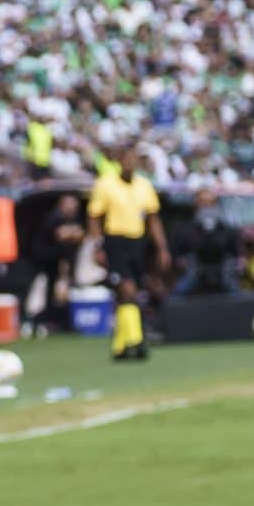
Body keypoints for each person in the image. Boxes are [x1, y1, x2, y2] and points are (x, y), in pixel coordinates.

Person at [87, 149, 166, 361]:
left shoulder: (144, 186)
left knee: (129, 294)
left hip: (137, 242)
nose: (130, 164)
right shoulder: (106, 184)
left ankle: (120, 345)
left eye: (134, 160)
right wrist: (97, 246)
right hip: (115, 241)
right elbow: (94, 216)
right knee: (127, 289)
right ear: (119, 161)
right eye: (126, 159)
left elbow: (153, 219)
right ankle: (136, 339)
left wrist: (161, 247)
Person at [25, 192, 85, 335]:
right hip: (44, 262)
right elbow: (62, 234)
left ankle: (59, 323)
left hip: (60, 263)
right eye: (70, 205)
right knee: (44, 295)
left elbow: (80, 234)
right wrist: (72, 233)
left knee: (61, 294)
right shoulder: (53, 218)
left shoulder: (72, 219)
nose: (72, 209)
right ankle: (36, 323)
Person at [172, 187, 237, 295]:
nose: (206, 207)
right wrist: (183, 263)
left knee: (236, 294)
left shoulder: (227, 230)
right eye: (203, 203)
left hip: (222, 275)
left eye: (210, 203)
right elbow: (176, 255)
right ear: (196, 205)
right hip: (194, 274)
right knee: (178, 294)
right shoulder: (184, 230)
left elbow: (236, 254)